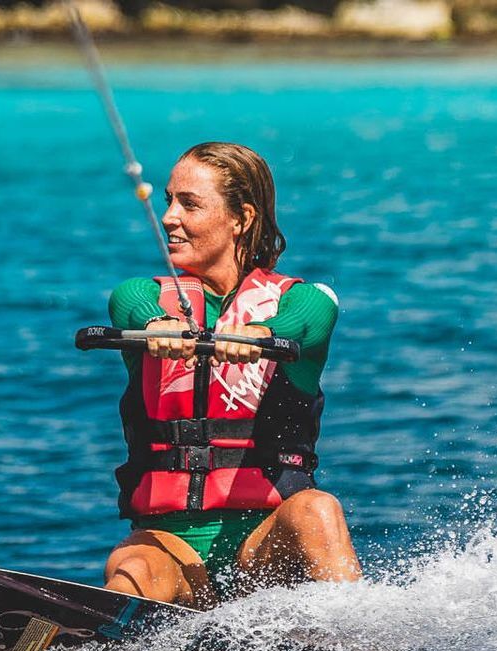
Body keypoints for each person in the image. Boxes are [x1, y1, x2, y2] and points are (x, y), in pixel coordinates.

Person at [101, 141, 360, 609]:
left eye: (189, 204)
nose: (168, 218)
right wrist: (158, 325)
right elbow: (132, 306)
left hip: (264, 551)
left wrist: (260, 334)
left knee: (317, 512)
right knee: (132, 568)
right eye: (168, 201)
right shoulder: (141, 296)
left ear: (241, 218)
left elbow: (302, 324)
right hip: (172, 551)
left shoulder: (301, 301)